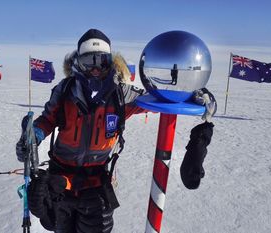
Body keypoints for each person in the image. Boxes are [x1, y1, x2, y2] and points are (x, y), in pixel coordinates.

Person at [16, 28, 217, 233]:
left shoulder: (120, 94)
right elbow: (47, 119)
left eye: (101, 61)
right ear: (78, 62)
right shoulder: (65, 90)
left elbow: (155, 98)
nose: (95, 69)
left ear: (110, 62)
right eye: (89, 62)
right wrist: (35, 135)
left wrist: (194, 94)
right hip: (61, 180)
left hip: (95, 182)